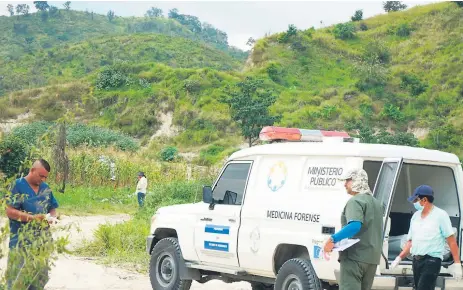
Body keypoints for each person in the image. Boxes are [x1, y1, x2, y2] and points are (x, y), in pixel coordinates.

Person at [390, 185, 462, 289]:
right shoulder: (415, 217)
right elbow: (410, 242)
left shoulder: (441, 215)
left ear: (424, 200)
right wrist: (399, 258)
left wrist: (457, 263)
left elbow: (451, 241)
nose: (414, 203)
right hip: (416, 260)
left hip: (432, 260)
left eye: (416, 200)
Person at [323, 168, 383, 290]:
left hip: (355, 258)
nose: (345, 184)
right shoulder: (376, 203)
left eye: (348, 180)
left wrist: (332, 239)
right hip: (372, 259)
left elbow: (355, 225)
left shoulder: (356, 201)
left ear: (357, 181)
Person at [4, 159, 59, 290]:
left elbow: (52, 208)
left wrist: (52, 217)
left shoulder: (46, 189)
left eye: (45, 177)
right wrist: (32, 218)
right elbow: (10, 211)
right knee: (18, 279)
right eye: (41, 176)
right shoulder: (16, 186)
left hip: (41, 242)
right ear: (32, 170)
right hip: (21, 242)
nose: (43, 179)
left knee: (39, 278)